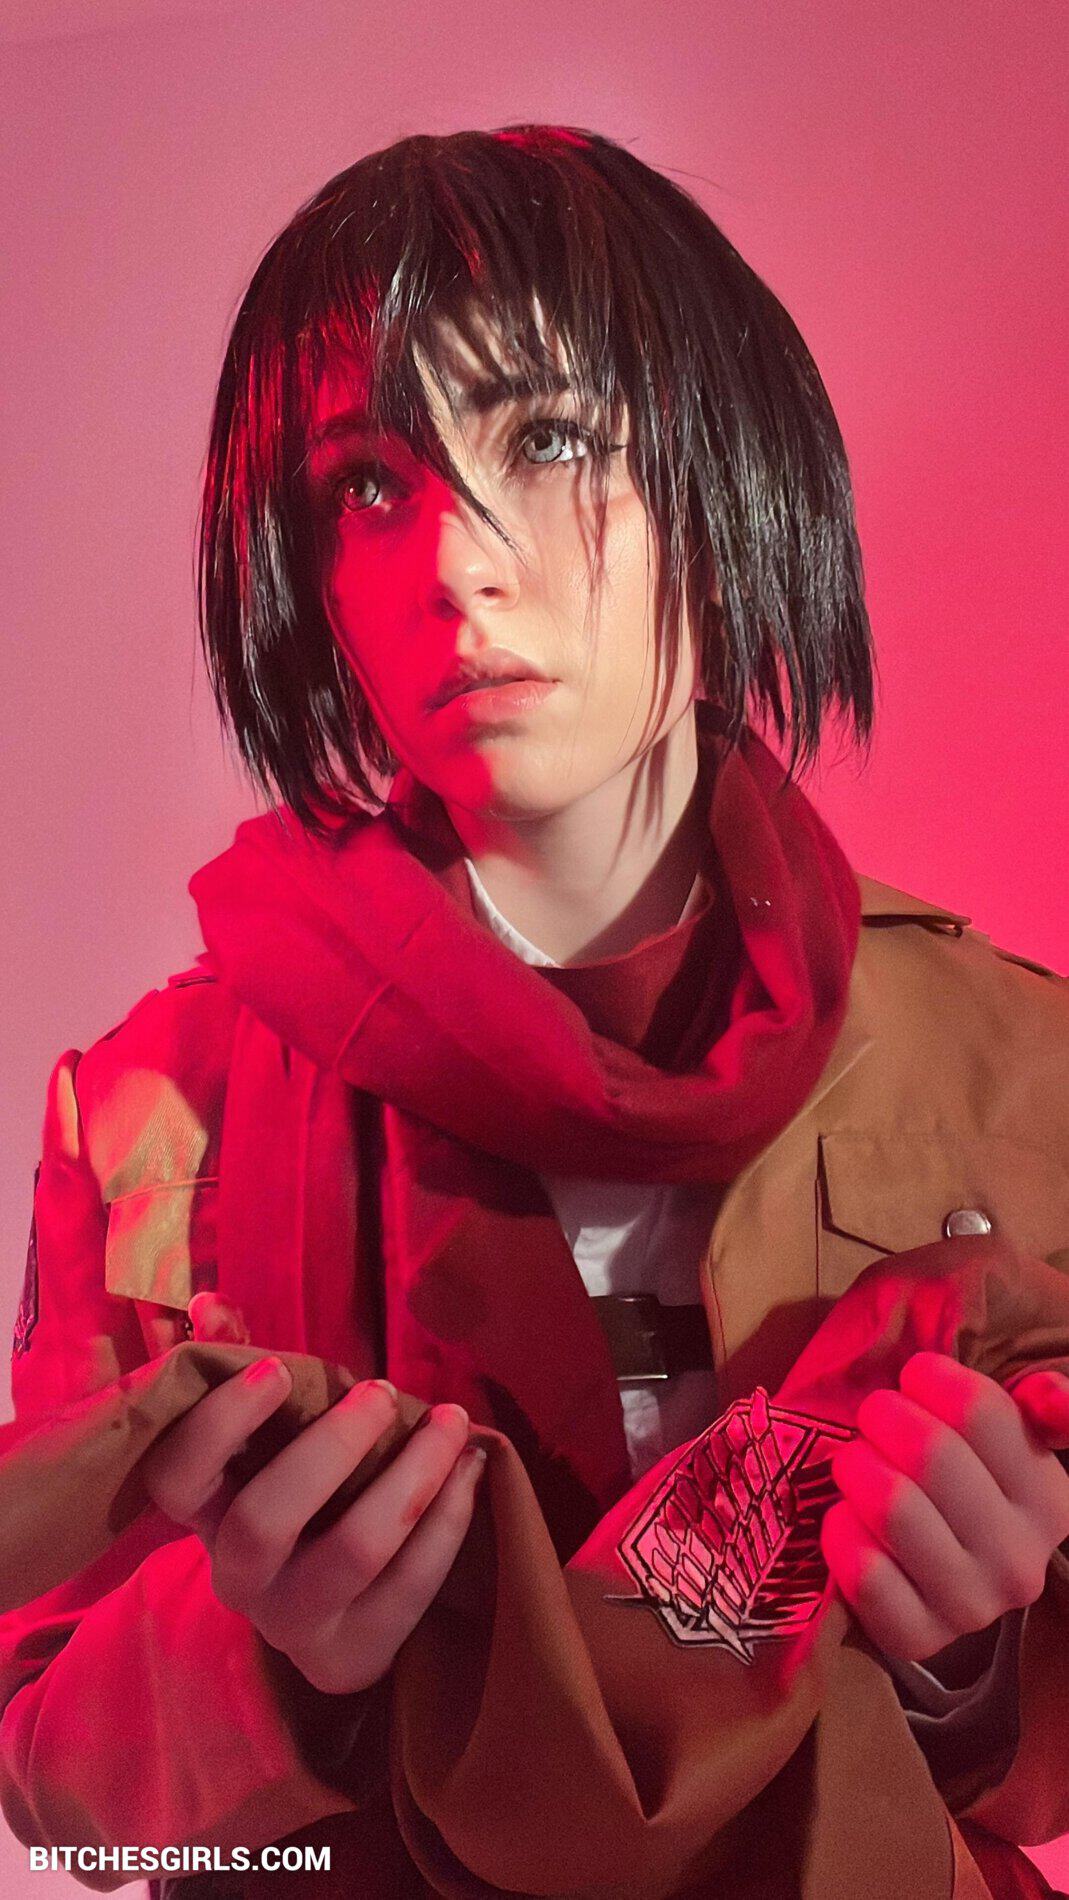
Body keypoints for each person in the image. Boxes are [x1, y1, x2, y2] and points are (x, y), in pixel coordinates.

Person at [2, 123, 1068, 1900]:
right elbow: (66, 1790)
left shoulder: (1019, 1069)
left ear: (722, 482)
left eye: (551, 439)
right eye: (367, 485)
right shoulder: (153, 1107)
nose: (454, 561)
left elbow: (1029, 1775)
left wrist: (968, 1658)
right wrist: (272, 1670)